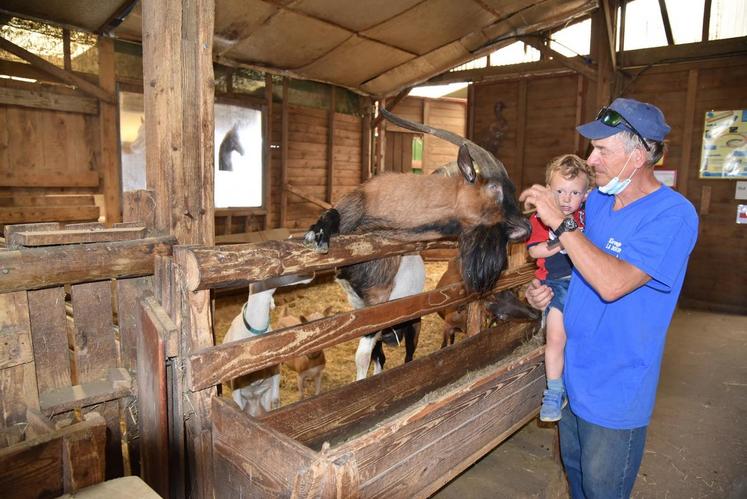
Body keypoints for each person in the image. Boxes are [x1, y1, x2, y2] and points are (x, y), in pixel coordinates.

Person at [519, 98, 698, 498]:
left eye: (602, 150)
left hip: (616, 389)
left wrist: (562, 225)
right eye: (591, 148)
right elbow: (573, 266)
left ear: (637, 156)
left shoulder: (672, 215)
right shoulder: (596, 202)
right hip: (573, 377)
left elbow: (612, 283)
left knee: (602, 490)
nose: (591, 159)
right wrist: (543, 294)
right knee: (577, 481)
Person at [526, 154, 594, 422]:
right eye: (559, 191)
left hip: (587, 281)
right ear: (548, 192)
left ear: (586, 194)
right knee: (555, 337)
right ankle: (553, 391)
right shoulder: (541, 220)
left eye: (574, 192)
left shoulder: (589, 216)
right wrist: (564, 240)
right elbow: (534, 251)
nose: (566, 198)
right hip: (557, 284)